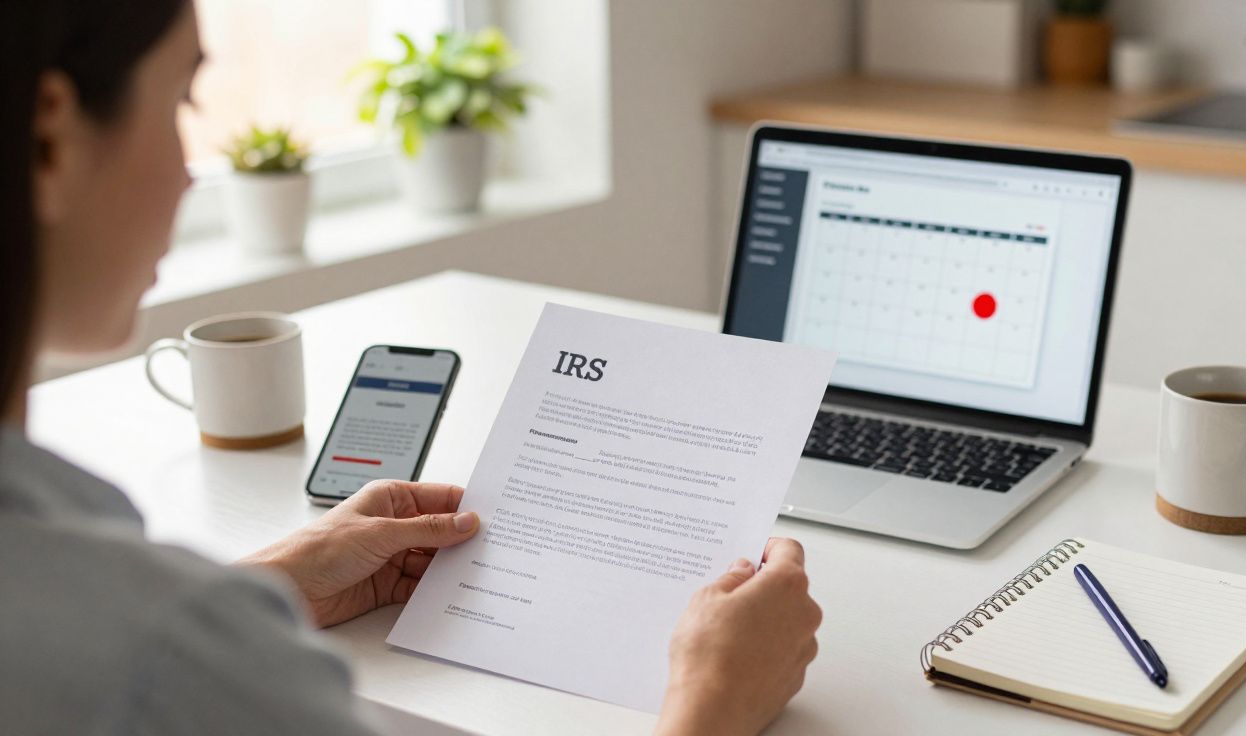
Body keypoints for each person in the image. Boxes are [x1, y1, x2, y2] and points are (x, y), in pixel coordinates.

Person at [0, 2, 823, 734]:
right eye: (181, 100)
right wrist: (714, 699)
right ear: (49, 138)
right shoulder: (158, 657)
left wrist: (275, 583)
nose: (188, 173)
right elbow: (146, 655)